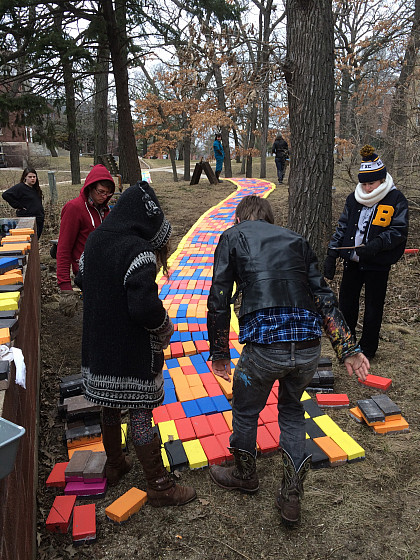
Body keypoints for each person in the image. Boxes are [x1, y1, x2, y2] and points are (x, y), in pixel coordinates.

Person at [207, 195, 369, 527]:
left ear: (241, 219)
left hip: (265, 349)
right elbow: (323, 296)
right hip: (309, 348)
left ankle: (245, 475)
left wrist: (220, 352)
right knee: (293, 412)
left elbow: (220, 295)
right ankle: (292, 493)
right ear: (269, 218)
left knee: (246, 409)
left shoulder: (233, 236)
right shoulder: (296, 240)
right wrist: (347, 348)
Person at [76, 180, 196, 507]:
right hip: (130, 351)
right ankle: (159, 485)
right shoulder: (138, 251)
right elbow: (143, 307)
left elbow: (81, 278)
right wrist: (163, 326)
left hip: (99, 346)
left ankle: (115, 464)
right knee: (141, 413)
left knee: (110, 405)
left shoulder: (95, 240)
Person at [324, 145, 408, 359]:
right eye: (364, 183)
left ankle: (368, 348)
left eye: (372, 183)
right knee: (346, 305)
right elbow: (342, 226)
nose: (368, 188)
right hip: (352, 262)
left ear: (381, 180)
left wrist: (378, 244)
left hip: (377, 264)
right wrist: (332, 253)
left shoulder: (396, 199)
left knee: (373, 308)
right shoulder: (354, 199)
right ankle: (347, 346)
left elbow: (398, 231)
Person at [56, 164, 115, 317]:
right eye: (101, 192)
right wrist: (65, 287)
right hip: (86, 275)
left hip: (106, 274)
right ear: (90, 187)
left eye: (108, 194)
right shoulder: (74, 208)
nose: (104, 196)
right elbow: (63, 249)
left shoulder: (106, 211)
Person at [2, 167, 44, 238]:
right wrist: (18, 206)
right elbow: (5, 195)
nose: (32, 179)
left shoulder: (35, 188)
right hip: (27, 219)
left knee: (36, 241)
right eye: (30, 177)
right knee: (28, 240)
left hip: (39, 219)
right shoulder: (20, 187)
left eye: (34, 177)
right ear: (25, 177)